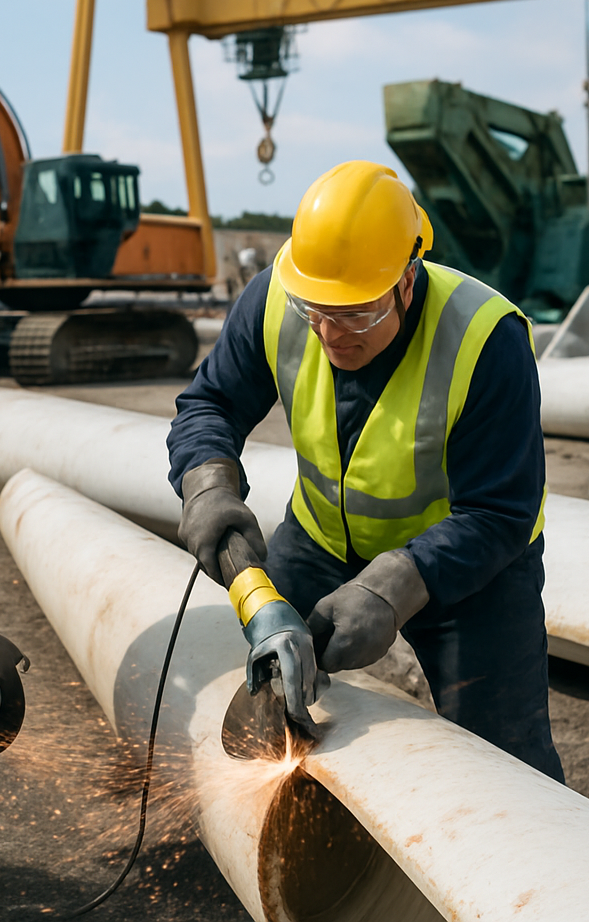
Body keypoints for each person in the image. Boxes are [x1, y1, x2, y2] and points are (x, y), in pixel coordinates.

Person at [168, 160, 564, 781]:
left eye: (355, 314)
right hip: (322, 538)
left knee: (507, 765)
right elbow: (209, 404)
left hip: (466, 567)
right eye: (315, 311)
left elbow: (500, 512)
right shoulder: (278, 296)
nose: (329, 333)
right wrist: (208, 489)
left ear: (408, 280)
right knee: (265, 699)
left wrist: (391, 587)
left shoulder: (487, 339)